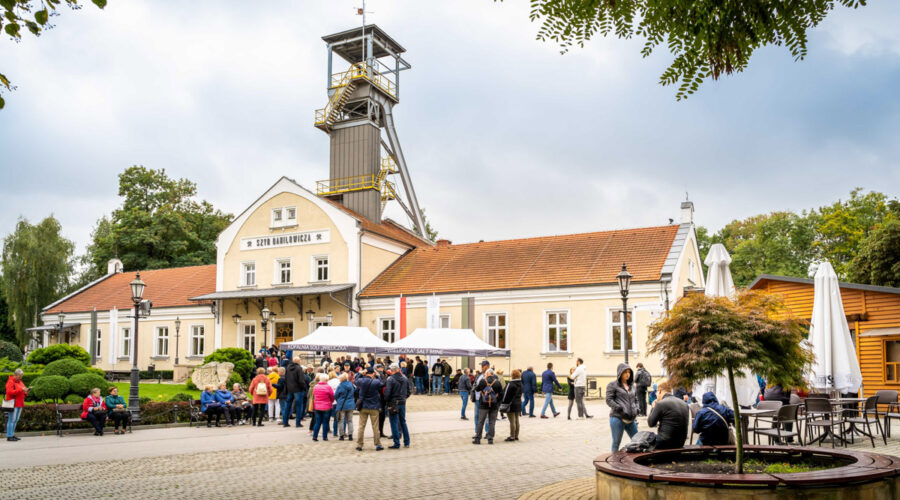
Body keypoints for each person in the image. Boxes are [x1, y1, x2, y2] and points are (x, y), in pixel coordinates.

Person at [606, 363, 639, 452]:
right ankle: (613, 462)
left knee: (638, 441)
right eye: (625, 372)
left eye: (629, 372)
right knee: (616, 442)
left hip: (631, 419)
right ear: (620, 373)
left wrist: (637, 409)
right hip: (618, 418)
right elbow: (609, 400)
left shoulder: (632, 386)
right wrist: (618, 407)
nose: (627, 374)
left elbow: (636, 399)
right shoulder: (612, 385)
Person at [646, 382, 689, 449]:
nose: (656, 394)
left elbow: (651, 423)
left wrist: (653, 407)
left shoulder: (660, 404)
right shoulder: (684, 404)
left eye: (656, 392)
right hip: (680, 443)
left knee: (643, 437)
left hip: (664, 443)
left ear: (660, 391)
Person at [355, 367, 384, 451]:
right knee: (375, 427)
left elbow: (355, 380)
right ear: (373, 373)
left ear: (366, 373)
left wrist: (360, 373)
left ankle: (359, 445)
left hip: (363, 406)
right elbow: (382, 383)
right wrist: (378, 375)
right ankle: (378, 444)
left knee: (361, 426)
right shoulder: (376, 381)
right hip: (374, 406)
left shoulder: (361, 381)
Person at [384, 363, 412, 448]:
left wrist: (387, 401)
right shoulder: (405, 378)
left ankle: (397, 443)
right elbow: (408, 391)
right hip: (402, 403)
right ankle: (407, 442)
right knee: (403, 422)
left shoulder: (390, 379)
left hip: (393, 403)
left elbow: (387, 393)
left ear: (392, 370)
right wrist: (403, 398)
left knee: (394, 423)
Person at [473, 369, 502, 444]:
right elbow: (501, 394)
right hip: (494, 405)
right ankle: (490, 439)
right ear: (493, 374)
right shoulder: (497, 382)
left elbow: (477, 389)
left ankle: (478, 439)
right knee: (492, 422)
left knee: (481, 421)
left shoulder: (483, 381)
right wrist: (497, 402)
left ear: (487, 373)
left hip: (483, 405)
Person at [283, 357, 308, 427]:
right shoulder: (299, 368)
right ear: (298, 361)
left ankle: (285, 422)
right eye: (300, 360)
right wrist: (304, 387)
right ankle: (298, 423)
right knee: (299, 406)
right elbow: (301, 380)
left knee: (287, 406)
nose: (300, 361)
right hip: (298, 389)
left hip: (290, 389)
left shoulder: (288, 368)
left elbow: (286, 378)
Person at [5, 369, 28, 441]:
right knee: (11, 420)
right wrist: (21, 390)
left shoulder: (20, 382)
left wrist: (26, 391)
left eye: (21, 376)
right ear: (15, 375)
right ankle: (9, 436)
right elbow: (10, 392)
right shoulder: (10, 382)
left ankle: (12, 434)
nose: (21, 378)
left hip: (20, 403)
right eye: (19, 376)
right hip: (13, 404)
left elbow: (23, 390)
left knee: (15, 420)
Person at [312, 373, 334, 441]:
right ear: (326, 380)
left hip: (317, 406)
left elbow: (314, 395)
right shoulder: (328, 387)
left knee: (317, 422)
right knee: (325, 422)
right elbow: (332, 397)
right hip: (326, 406)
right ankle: (325, 437)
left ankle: (315, 436)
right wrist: (331, 402)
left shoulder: (316, 386)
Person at [502, 369, 523, 442]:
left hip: (510, 404)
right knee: (517, 420)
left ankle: (512, 436)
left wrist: (503, 403)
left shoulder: (510, 384)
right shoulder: (520, 383)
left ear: (512, 375)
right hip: (518, 403)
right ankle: (516, 435)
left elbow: (505, 395)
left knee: (512, 421)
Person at [334, 373, 356, 441]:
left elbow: (336, 395)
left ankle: (341, 435)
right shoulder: (351, 385)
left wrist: (339, 400)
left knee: (341, 421)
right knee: (350, 420)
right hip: (350, 404)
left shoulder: (340, 386)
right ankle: (350, 435)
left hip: (342, 405)